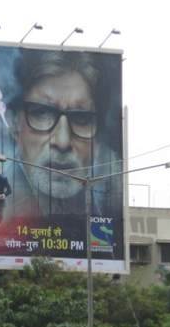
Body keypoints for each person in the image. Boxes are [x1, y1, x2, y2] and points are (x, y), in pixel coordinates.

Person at [9, 50, 108, 217]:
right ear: (14, 124)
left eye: (81, 118)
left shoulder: (103, 220)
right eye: (42, 113)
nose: (63, 142)